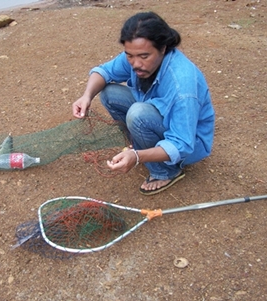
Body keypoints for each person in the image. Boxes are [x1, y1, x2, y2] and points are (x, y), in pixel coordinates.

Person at [72, 12, 215, 195]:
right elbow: (104, 72)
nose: (135, 64)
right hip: (156, 114)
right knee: (109, 93)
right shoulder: (137, 56)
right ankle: (141, 145)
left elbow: (182, 143)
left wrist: (137, 157)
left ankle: (165, 171)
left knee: (137, 115)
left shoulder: (182, 86)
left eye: (144, 56)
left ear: (163, 48)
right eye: (129, 55)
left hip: (190, 141)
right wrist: (86, 96)